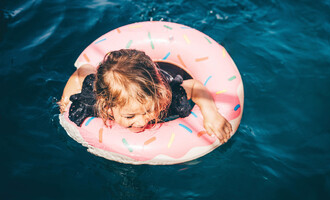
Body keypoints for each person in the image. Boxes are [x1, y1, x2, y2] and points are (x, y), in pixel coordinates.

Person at [59, 49, 232, 143]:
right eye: (130, 116)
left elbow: (194, 86)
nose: (142, 122)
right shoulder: (93, 100)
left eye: (148, 110)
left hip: (158, 81)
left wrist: (211, 112)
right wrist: (65, 101)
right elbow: (80, 73)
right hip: (107, 85)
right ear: (107, 107)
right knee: (90, 76)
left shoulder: (166, 98)